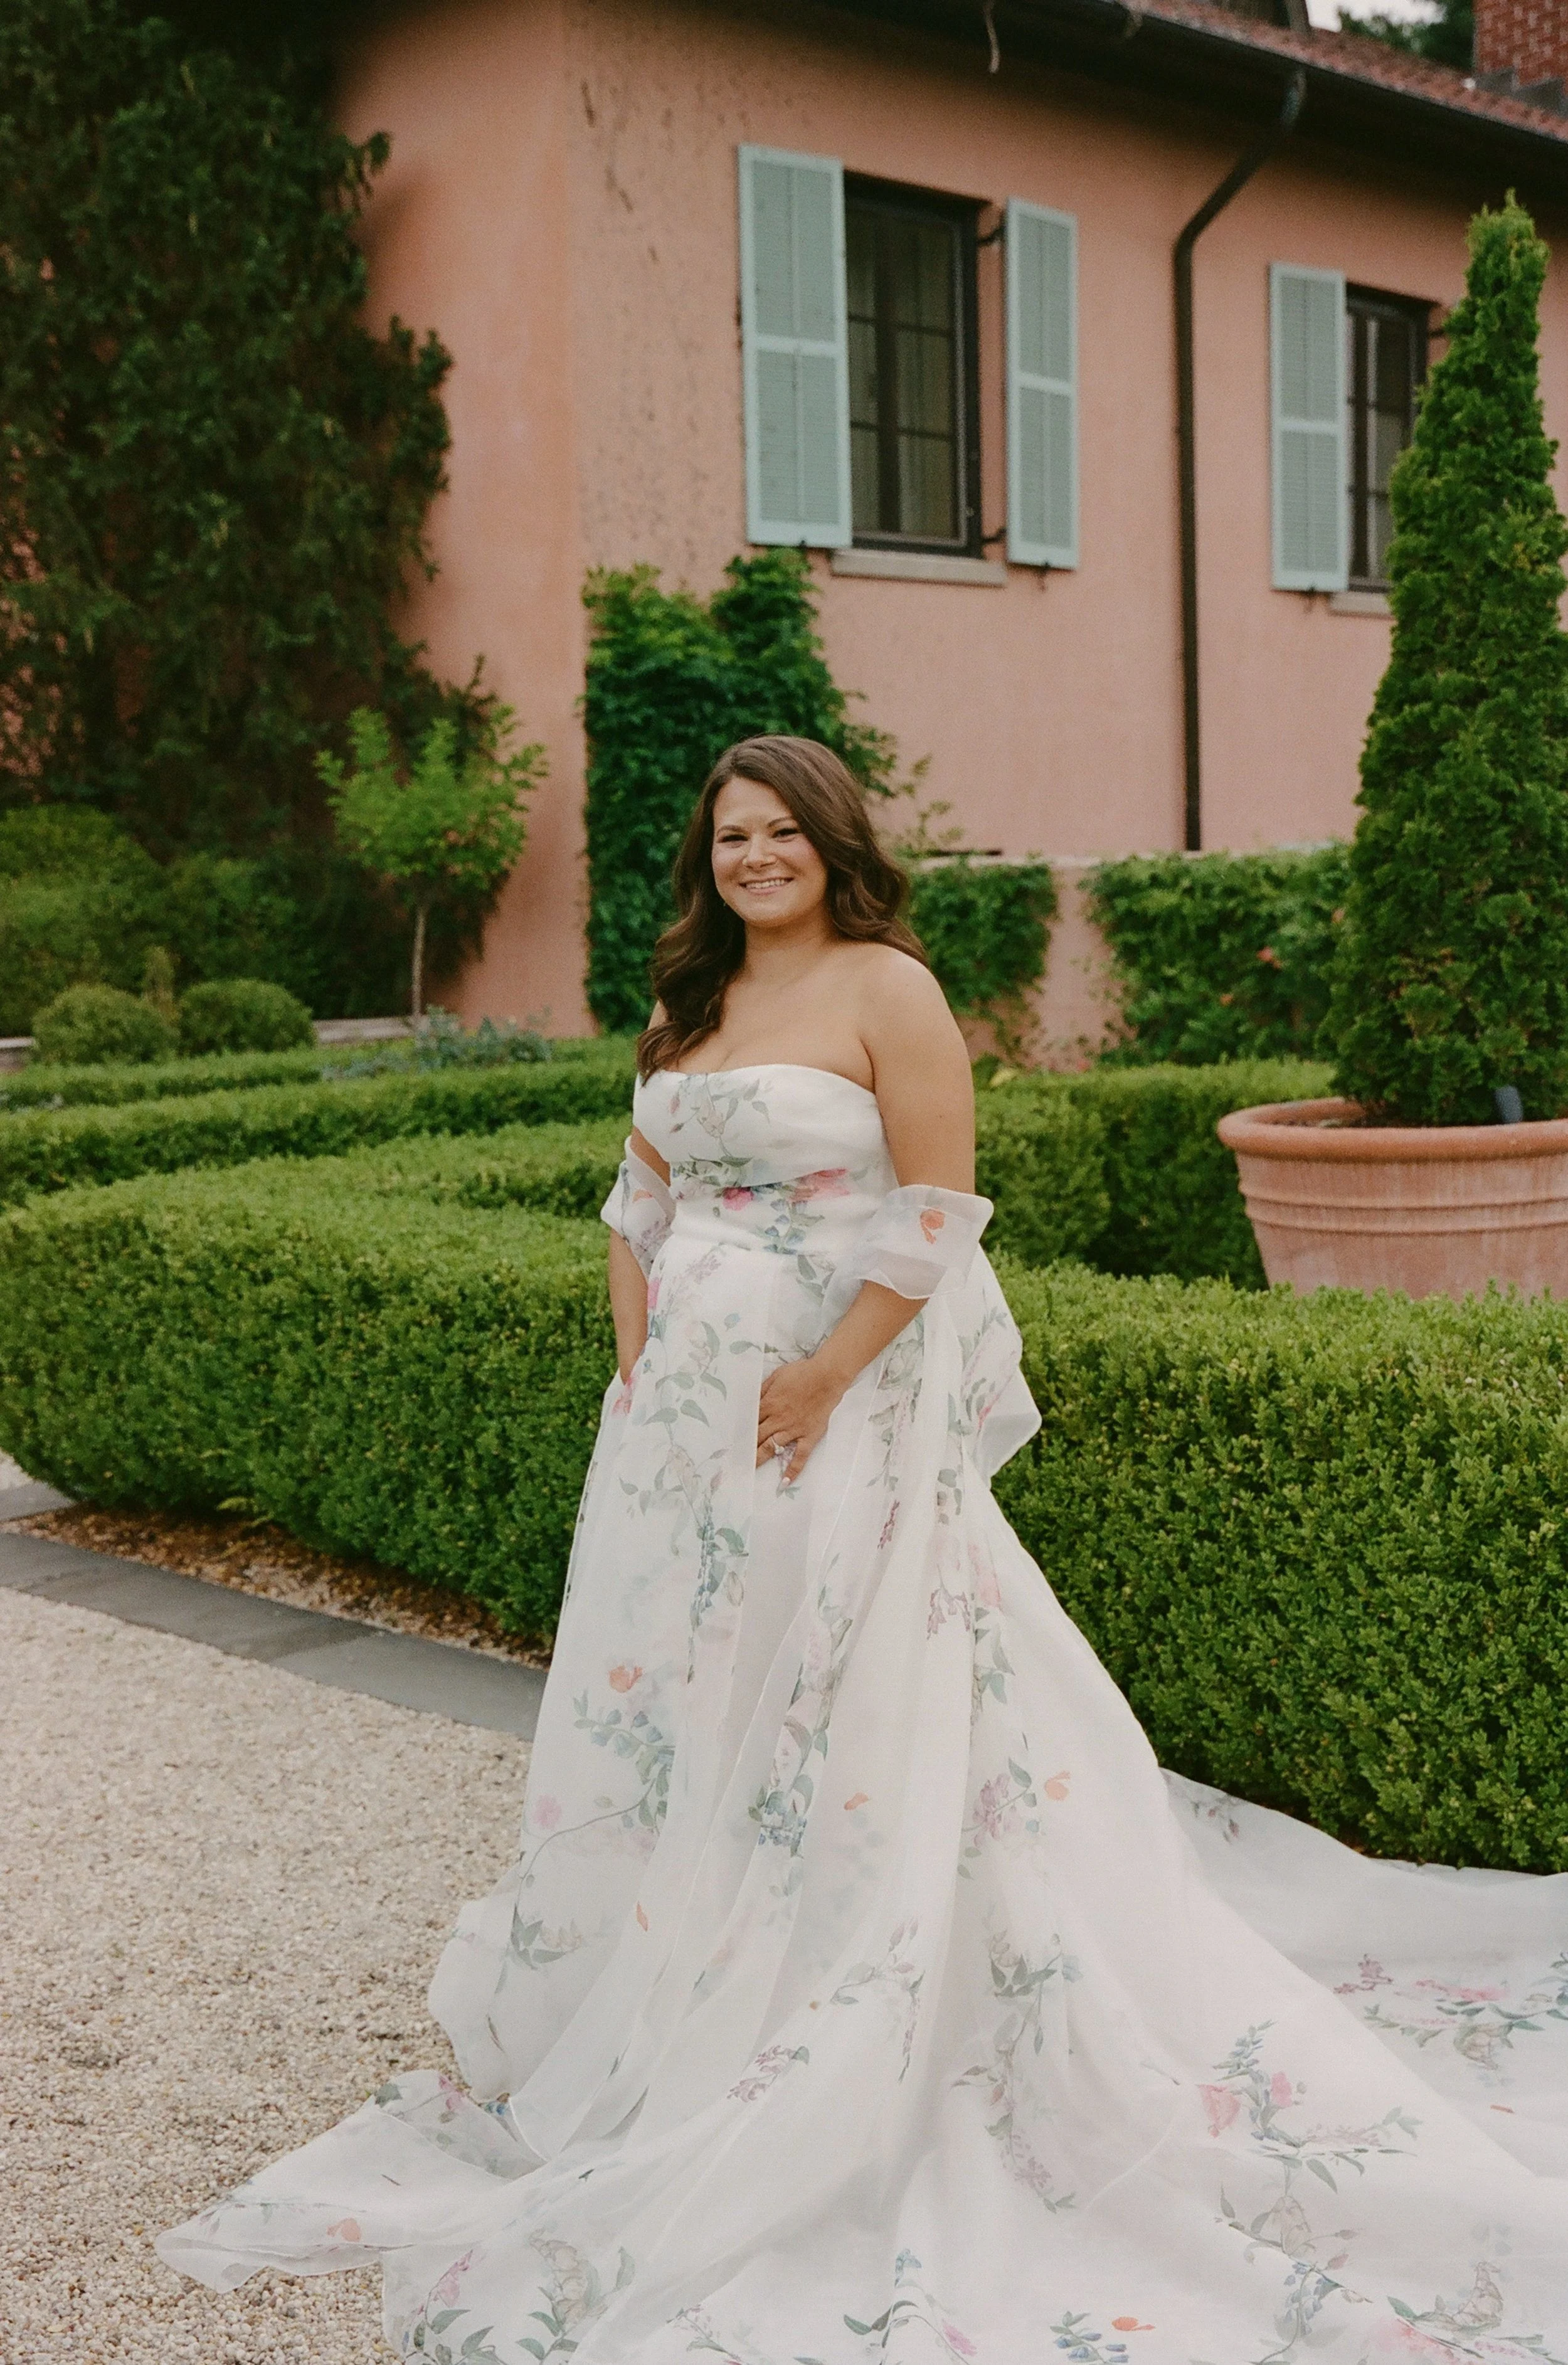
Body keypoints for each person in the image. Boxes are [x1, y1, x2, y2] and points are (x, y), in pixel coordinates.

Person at [161, 736, 1568, 2361]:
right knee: (685, 1698)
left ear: (832, 842)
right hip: (682, 1432)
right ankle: (669, 1982)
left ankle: (847, 1999)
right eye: (730, 836)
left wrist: (823, 1376)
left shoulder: (888, 990)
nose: (755, 856)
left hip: (835, 1416)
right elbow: (637, 1200)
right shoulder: (685, 1009)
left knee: (830, 1694)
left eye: (781, 832)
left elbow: (936, 1214)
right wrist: (641, 1362)